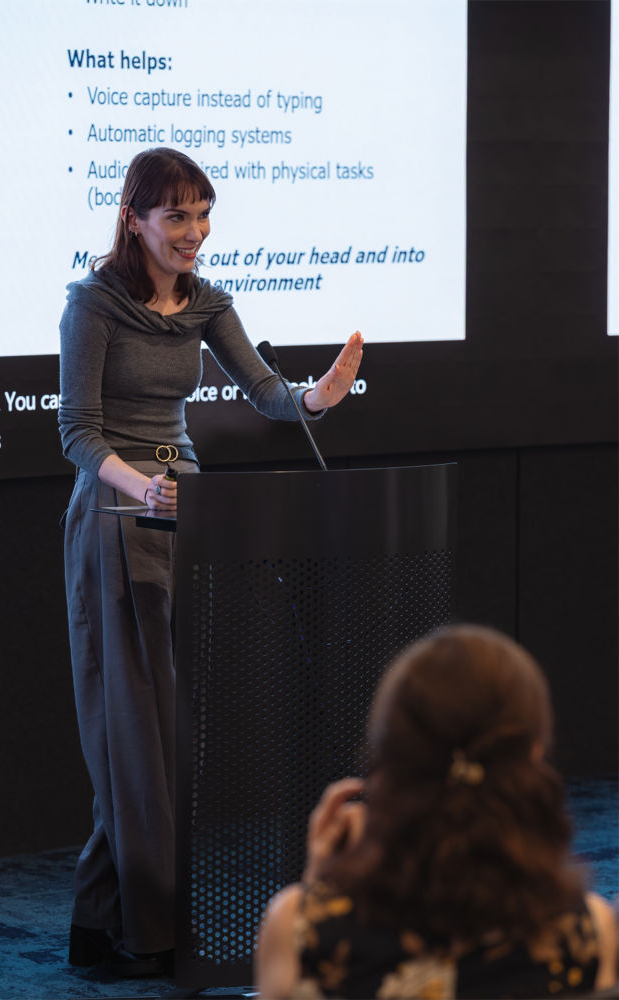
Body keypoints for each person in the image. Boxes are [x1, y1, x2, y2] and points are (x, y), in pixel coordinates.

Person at [58, 146, 363, 978]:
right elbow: (77, 433)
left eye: (202, 216)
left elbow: (266, 392)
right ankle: (148, 932)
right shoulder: (93, 304)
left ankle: (101, 924)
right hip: (117, 515)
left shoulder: (208, 302)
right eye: (176, 216)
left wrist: (318, 395)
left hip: (188, 515)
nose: (193, 232)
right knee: (133, 734)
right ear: (133, 220)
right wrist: (143, 488)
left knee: (163, 736)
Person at [256, 625, 617, 998]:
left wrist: (314, 894)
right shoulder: (589, 934)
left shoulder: (299, 931)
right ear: (534, 753)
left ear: (389, 756)